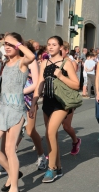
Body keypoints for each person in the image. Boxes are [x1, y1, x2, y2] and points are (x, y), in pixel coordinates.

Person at [0, 32, 35, 192]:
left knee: (9, 149)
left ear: (18, 46)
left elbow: (32, 56)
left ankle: (14, 188)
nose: (7, 46)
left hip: (15, 109)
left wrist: (18, 43)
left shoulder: (22, 62)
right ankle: (12, 172)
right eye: (5, 44)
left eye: (11, 44)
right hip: (2, 108)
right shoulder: (5, 63)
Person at [29, 36, 79, 183]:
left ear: (60, 47)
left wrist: (61, 76)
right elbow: (40, 84)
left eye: (54, 44)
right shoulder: (44, 62)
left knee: (49, 132)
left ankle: (51, 169)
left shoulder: (66, 63)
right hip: (48, 102)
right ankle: (58, 168)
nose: (50, 47)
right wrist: (33, 103)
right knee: (53, 136)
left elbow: (76, 85)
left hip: (61, 102)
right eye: (49, 44)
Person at [61, 41, 81, 155]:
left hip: (68, 96)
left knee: (66, 126)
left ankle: (75, 140)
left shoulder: (71, 63)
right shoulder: (54, 61)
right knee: (51, 127)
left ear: (66, 50)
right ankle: (52, 151)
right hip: (56, 96)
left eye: (61, 50)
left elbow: (74, 82)